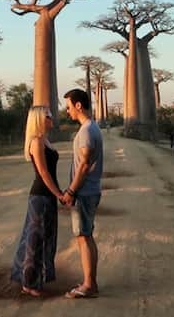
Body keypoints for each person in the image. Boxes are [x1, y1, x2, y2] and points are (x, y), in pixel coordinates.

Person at [11, 106, 63, 297]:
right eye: (48, 116)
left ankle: (36, 278)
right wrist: (58, 193)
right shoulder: (36, 142)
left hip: (47, 196)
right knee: (34, 240)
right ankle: (28, 282)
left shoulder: (45, 140)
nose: (52, 118)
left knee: (45, 237)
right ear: (40, 119)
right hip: (40, 196)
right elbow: (43, 173)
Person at [61, 88, 104, 299]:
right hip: (90, 190)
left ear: (78, 105)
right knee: (86, 236)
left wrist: (71, 190)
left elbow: (85, 164)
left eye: (69, 106)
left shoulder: (86, 131)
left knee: (83, 237)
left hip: (84, 192)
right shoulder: (92, 127)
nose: (67, 111)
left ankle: (88, 285)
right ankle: (90, 282)